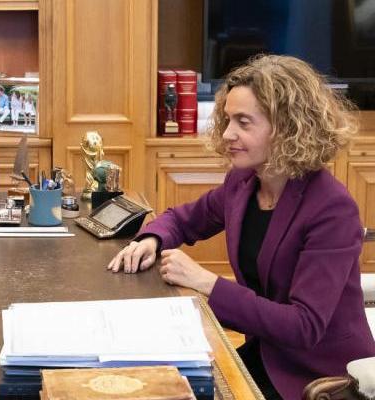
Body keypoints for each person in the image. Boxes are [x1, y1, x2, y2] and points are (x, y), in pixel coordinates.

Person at [107, 55, 375, 400]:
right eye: (228, 119)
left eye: (243, 123)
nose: (228, 133)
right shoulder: (243, 182)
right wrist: (152, 238)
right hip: (267, 354)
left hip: (319, 379)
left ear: (288, 127)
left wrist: (206, 282)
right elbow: (185, 218)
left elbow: (304, 326)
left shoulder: (332, 209)